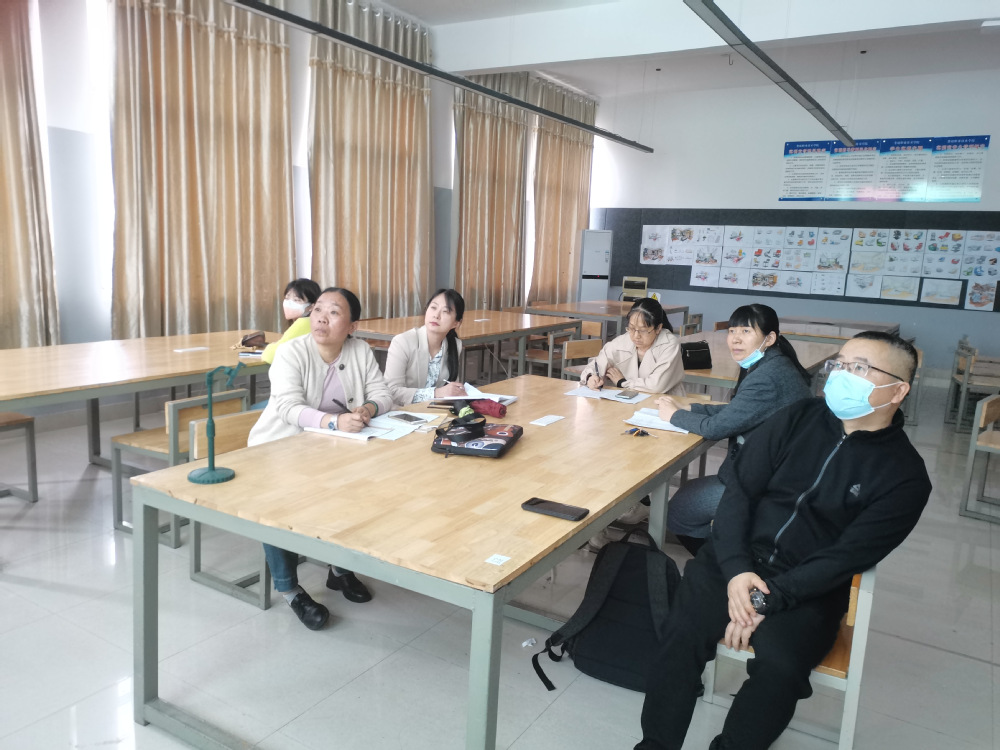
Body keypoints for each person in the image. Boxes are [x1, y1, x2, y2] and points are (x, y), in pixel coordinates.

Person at [635, 332, 931, 750]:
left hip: (807, 587)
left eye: (860, 368)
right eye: (840, 364)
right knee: (679, 634)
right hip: (733, 560)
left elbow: (845, 558)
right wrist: (737, 570)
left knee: (782, 668)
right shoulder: (796, 418)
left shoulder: (905, 477)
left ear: (897, 391)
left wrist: (762, 602)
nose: (841, 375)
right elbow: (739, 492)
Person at [247, 287, 394, 631]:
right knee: (277, 504)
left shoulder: (359, 350)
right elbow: (287, 407)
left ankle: (339, 569)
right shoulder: (291, 352)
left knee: (362, 488)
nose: (322, 318)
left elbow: (382, 393)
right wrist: (333, 422)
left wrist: (368, 408)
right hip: (279, 447)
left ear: (352, 326)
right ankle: (290, 590)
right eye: (318, 310)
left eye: (334, 312)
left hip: (333, 447)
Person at [656, 304, 814, 557]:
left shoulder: (766, 377)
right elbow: (738, 411)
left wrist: (674, 416)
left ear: (770, 338)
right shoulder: (775, 364)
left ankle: (727, 563)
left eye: (746, 331)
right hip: (777, 473)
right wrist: (691, 407)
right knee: (690, 496)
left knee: (679, 511)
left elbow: (716, 428)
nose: (736, 339)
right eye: (732, 331)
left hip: (768, 486)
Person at [580, 298, 685, 395]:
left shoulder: (669, 344)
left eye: (643, 330)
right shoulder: (623, 341)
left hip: (665, 401)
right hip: (631, 400)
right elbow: (598, 364)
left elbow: (656, 386)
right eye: (631, 328)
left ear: (658, 328)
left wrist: (622, 382)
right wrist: (591, 377)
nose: (636, 336)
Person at [384, 289, 467, 407]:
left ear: (456, 323)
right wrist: (436, 393)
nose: (436, 315)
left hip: (436, 412)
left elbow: (451, 388)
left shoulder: (455, 345)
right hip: (403, 412)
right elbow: (391, 391)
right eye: (433, 308)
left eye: (445, 311)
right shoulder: (402, 342)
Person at [261, 278, 322, 364]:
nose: (289, 303)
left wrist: (270, 347)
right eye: (287, 298)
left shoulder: (304, 323)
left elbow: (270, 356)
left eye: (296, 300)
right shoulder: (314, 322)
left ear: (312, 306)